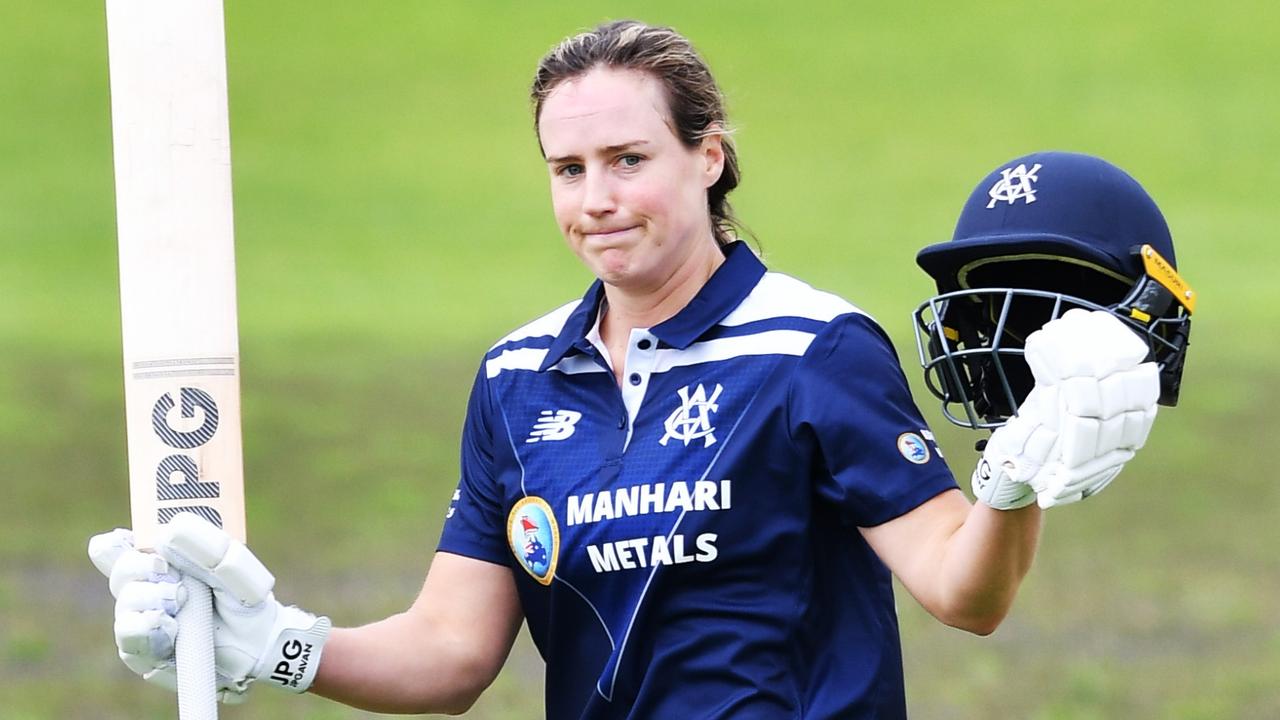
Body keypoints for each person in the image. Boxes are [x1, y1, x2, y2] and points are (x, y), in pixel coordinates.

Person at [88, 21, 1187, 719]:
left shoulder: (812, 349)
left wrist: (1010, 483)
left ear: (706, 159)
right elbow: (447, 655)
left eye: (627, 160)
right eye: (566, 169)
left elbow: (965, 593)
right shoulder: (516, 380)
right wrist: (278, 646)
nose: (594, 198)